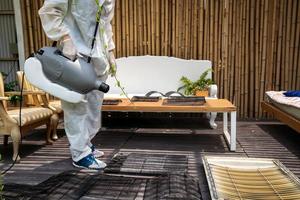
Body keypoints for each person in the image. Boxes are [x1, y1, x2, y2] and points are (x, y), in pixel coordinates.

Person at [39, 0, 116, 170]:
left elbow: (105, 23)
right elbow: (49, 11)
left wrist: (110, 50)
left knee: (94, 105)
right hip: (76, 54)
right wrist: (65, 37)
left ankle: (86, 145)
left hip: (99, 57)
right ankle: (79, 153)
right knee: (76, 105)